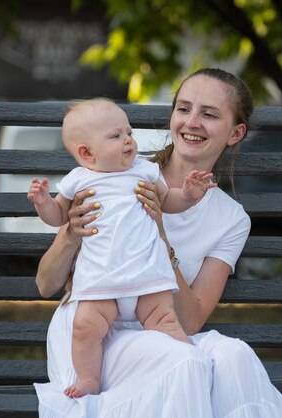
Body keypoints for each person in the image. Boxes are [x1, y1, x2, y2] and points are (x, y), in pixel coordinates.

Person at [33, 68, 282, 417]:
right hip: (94, 336)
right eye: (183, 109)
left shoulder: (231, 219)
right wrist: (69, 235)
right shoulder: (114, 174)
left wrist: (161, 237)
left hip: (164, 327)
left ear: (235, 132)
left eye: (209, 114)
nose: (192, 122)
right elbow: (47, 285)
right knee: (183, 362)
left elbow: (191, 321)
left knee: (235, 356)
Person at [27, 98, 216, 398]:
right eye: (116, 136)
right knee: (85, 328)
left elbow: (168, 202)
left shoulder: (144, 170)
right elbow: (58, 217)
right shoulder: (79, 180)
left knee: (166, 321)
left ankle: (188, 367)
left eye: (129, 132)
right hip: (102, 281)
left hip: (146, 276)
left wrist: (189, 195)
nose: (128, 140)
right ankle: (90, 379)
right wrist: (43, 203)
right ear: (86, 153)